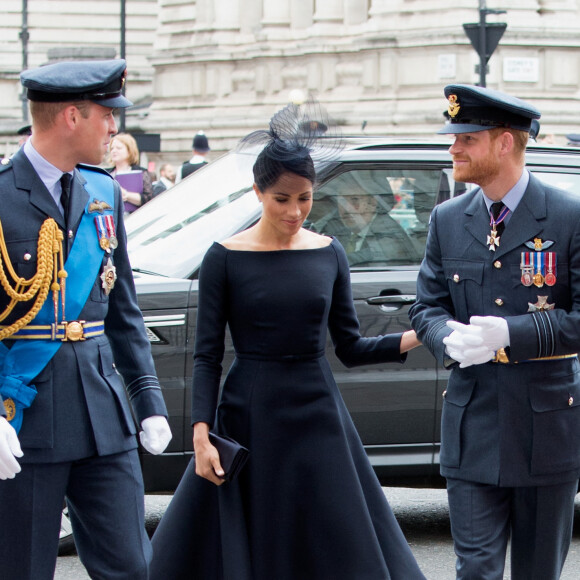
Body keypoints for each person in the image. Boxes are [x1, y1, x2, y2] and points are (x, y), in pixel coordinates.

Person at [149, 103, 427, 580]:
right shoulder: (224, 257)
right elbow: (207, 355)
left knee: (334, 537)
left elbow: (351, 347)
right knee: (254, 536)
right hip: (249, 414)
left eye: (304, 198)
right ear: (257, 192)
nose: (295, 211)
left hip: (318, 413)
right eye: (281, 199)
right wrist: (200, 432)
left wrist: (418, 335)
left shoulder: (329, 252)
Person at [0, 59, 172, 579]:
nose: (116, 128)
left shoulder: (104, 192)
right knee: (22, 568)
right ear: (71, 116)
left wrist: (148, 401)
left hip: (102, 412)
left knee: (131, 568)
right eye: (107, 114)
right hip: (25, 416)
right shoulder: (3, 194)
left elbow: (123, 310)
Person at [409, 84, 580, 580]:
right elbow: (427, 305)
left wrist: (513, 334)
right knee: (475, 571)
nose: (453, 147)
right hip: (472, 425)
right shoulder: (447, 219)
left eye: (466, 137)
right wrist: (445, 337)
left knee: (536, 572)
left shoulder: (567, 217)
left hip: (544, 430)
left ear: (504, 143)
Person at [107, 132, 153, 213]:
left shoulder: (141, 172)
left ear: (129, 151)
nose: (114, 151)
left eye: (119, 148)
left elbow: (148, 199)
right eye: (112, 148)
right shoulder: (107, 174)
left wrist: (126, 194)